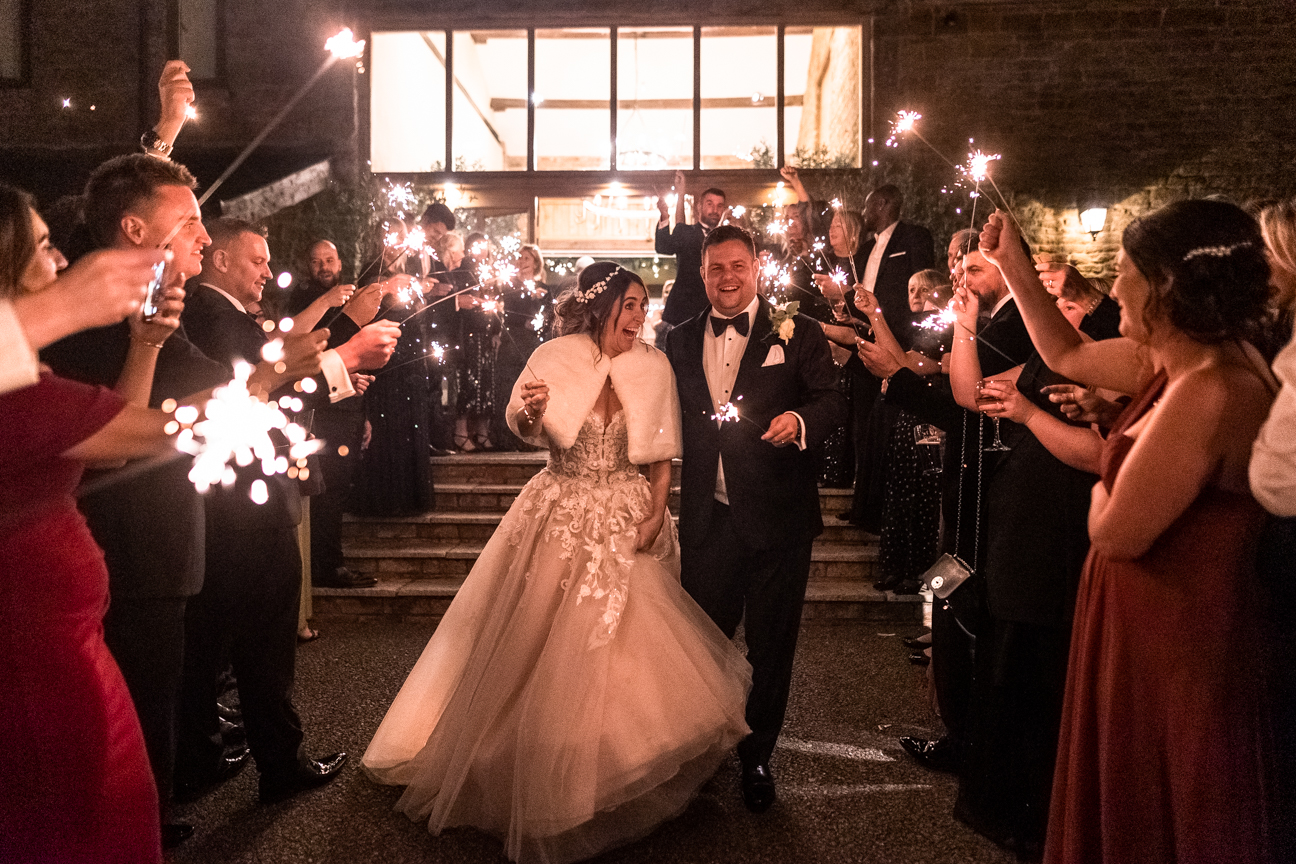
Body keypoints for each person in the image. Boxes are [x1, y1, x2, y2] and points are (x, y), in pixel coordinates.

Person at [363, 261, 750, 864]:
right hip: (559, 507)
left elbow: (662, 450)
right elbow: (521, 425)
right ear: (600, 308)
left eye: (643, 305)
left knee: (631, 648)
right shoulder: (552, 356)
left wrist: (655, 510)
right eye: (629, 305)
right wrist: (531, 411)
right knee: (535, 639)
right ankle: (537, 770)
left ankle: (618, 772)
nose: (639, 316)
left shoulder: (652, 365)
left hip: (625, 510)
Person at [978, 203, 1278, 863]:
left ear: (1166, 285)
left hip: (1181, 635)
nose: (1113, 288)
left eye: (1124, 271)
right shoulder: (1171, 362)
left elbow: (1113, 529)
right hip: (1147, 620)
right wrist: (1011, 266)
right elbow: (1069, 351)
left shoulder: (1210, 386)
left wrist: (1104, 461)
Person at [178, 218, 396, 805]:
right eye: (257, 261)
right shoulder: (212, 315)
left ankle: (199, 753)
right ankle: (280, 763)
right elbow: (257, 388)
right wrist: (346, 351)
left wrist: (343, 363)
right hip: (247, 497)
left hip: (242, 496)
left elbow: (281, 370)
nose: (268, 272)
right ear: (221, 261)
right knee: (265, 642)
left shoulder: (222, 314)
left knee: (217, 637)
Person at [0, 184, 182, 863]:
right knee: (72, 825)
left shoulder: (21, 375)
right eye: (45, 247)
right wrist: (272, 378)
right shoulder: (17, 393)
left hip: (67, 638)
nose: (60, 261)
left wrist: (146, 345)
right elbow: (150, 433)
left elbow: (108, 430)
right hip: (29, 658)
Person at [664, 224, 846, 813]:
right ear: (701, 273)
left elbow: (833, 400)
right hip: (707, 518)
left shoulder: (798, 331)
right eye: (717, 269)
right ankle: (702, 753)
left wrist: (798, 421)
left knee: (771, 647)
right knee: (701, 644)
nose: (727, 279)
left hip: (779, 519)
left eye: (738, 267)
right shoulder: (678, 339)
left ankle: (757, 757)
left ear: (757, 267)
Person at [493, 242, 553, 450]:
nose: (521, 261)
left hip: (533, 343)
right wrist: (528, 300)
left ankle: (527, 439)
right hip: (513, 339)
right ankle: (505, 438)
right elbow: (509, 314)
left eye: (526, 258)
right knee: (508, 385)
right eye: (519, 257)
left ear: (536, 262)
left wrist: (539, 315)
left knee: (530, 387)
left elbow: (549, 316)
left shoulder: (545, 289)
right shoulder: (510, 285)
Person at [655, 170, 726, 329]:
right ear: (699, 207)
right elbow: (663, 247)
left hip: (716, 313)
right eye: (710, 204)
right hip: (683, 313)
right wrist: (665, 216)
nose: (715, 209)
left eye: (719, 206)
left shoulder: (727, 238)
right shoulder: (686, 232)